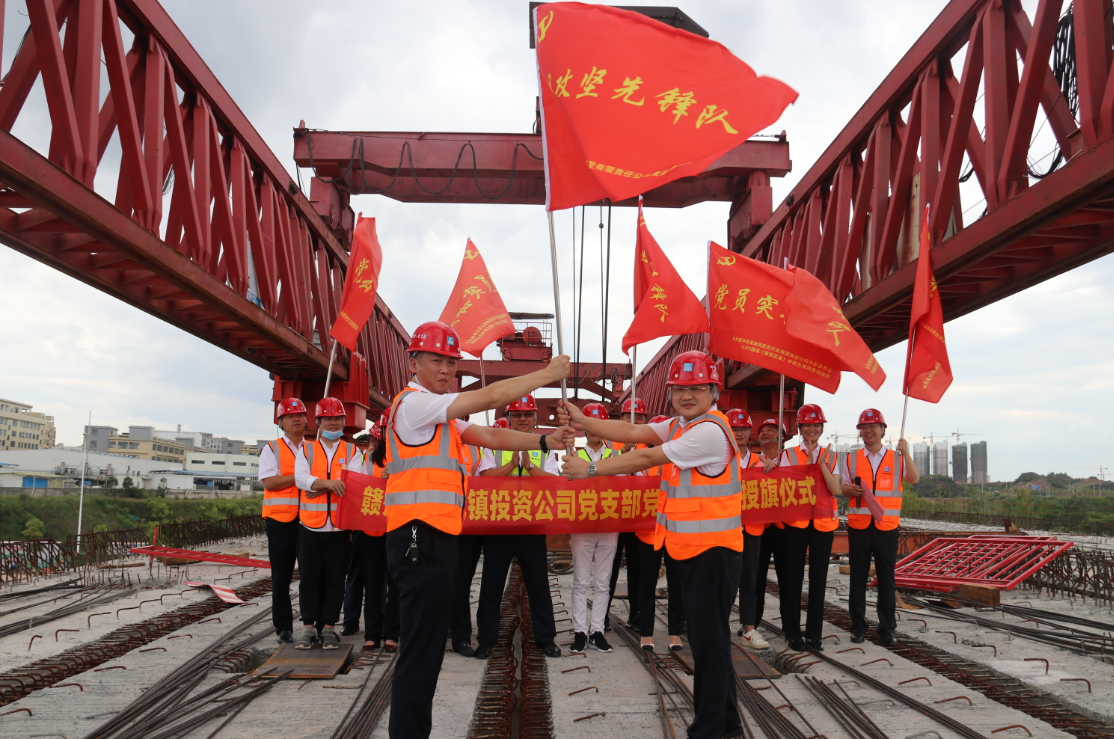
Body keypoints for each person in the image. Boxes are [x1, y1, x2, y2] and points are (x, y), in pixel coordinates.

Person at [382, 321, 573, 739]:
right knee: (419, 651)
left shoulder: (441, 418)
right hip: (417, 536)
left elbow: (489, 433)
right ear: (413, 363)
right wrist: (546, 374)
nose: (446, 369)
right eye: (437, 360)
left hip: (436, 535)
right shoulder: (415, 405)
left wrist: (544, 442)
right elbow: (489, 398)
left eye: (452, 363)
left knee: (428, 650)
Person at [560, 351, 745, 739]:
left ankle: (709, 731)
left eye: (697, 388)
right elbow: (632, 433)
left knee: (708, 645)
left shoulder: (709, 432)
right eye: (679, 389)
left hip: (713, 553)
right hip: (693, 550)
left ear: (714, 391)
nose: (686, 395)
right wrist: (583, 420)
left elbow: (644, 457)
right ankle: (727, 724)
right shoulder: (682, 425)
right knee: (710, 641)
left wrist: (589, 469)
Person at [474, 394, 563, 660]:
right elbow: (485, 479)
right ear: (509, 418)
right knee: (491, 585)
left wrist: (530, 467)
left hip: (531, 525)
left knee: (538, 585)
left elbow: (553, 481)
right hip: (498, 526)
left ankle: (545, 638)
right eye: (517, 414)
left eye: (527, 414)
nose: (522, 419)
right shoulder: (492, 445)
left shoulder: (545, 447)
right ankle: (486, 640)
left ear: (535, 418)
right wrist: (512, 464)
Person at [842, 408, 919, 647]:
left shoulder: (897, 458)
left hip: (886, 526)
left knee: (886, 578)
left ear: (883, 430)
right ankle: (858, 626)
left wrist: (906, 453)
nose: (868, 430)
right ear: (859, 432)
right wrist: (849, 490)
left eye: (873, 426)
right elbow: (842, 487)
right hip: (859, 525)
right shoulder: (851, 458)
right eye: (864, 427)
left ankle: (887, 628)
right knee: (857, 576)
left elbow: (914, 479)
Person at [292, 397, 357, 650]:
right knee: (309, 579)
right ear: (318, 422)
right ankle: (308, 628)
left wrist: (318, 487)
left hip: (340, 528)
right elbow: (300, 479)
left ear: (343, 421)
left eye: (337, 418)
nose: (333, 423)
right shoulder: (306, 450)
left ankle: (329, 628)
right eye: (328, 419)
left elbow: (353, 484)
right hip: (310, 526)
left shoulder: (352, 451)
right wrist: (330, 484)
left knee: (335, 580)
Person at [778, 404, 841, 651]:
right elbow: (785, 485)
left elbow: (835, 489)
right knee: (792, 578)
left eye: (816, 425)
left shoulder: (832, 456)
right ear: (800, 428)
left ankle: (814, 634)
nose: (811, 429)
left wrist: (820, 464)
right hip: (796, 524)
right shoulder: (788, 454)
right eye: (806, 425)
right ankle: (793, 633)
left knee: (818, 580)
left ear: (821, 428)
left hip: (822, 524)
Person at [258, 397, 308, 644]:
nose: (296, 419)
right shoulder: (272, 449)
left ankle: (312, 624)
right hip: (280, 522)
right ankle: (283, 627)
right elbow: (270, 482)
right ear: (280, 422)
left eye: (299, 415)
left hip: (311, 520)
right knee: (281, 577)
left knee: (311, 576)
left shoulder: (314, 449)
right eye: (290, 416)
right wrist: (301, 477)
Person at [568, 403, 617, 654]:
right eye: (589, 423)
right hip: (582, 525)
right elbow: (566, 484)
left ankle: (597, 631)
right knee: (580, 581)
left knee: (602, 583)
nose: (594, 429)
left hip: (609, 525)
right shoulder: (574, 454)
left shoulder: (617, 456)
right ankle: (579, 631)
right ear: (583, 427)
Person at [604, 398, 647, 632]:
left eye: (639, 417)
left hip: (639, 515)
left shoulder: (649, 444)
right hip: (614, 513)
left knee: (637, 567)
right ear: (620, 418)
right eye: (629, 416)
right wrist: (623, 453)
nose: (634, 421)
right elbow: (603, 469)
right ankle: (602, 616)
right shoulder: (609, 441)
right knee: (608, 568)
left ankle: (637, 614)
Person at [727, 408, 768, 649]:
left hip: (751, 529)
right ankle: (719, 625)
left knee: (749, 580)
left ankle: (749, 629)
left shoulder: (760, 461)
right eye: (734, 429)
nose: (739, 433)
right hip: (725, 528)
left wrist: (772, 471)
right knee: (724, 580)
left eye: (743, 429)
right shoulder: (720, 459)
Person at [360, 415, 400, 652]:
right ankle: (372, 634)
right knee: (373, 583)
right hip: (373, 529)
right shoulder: (368, 458)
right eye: (387, 429)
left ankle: (392, 633)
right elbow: (357, 486)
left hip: (398, 527)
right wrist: (379, 478)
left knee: (396, 583)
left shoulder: (408, 456)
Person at [449, 417, 487, 657]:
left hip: (468, 524)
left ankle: (461, 637)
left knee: (462, 582)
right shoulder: (433, 442)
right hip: (439, 522)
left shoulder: (475, 448)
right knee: (435, 581)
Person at [341, 427, 380, 636]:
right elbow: (353, 490)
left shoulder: (396, 459)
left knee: (382, 579)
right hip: (362, 525)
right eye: (377, 439)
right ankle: (350, 621)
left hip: (386, 525)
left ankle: (382, 624)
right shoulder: (362, 460)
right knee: (356, 575)